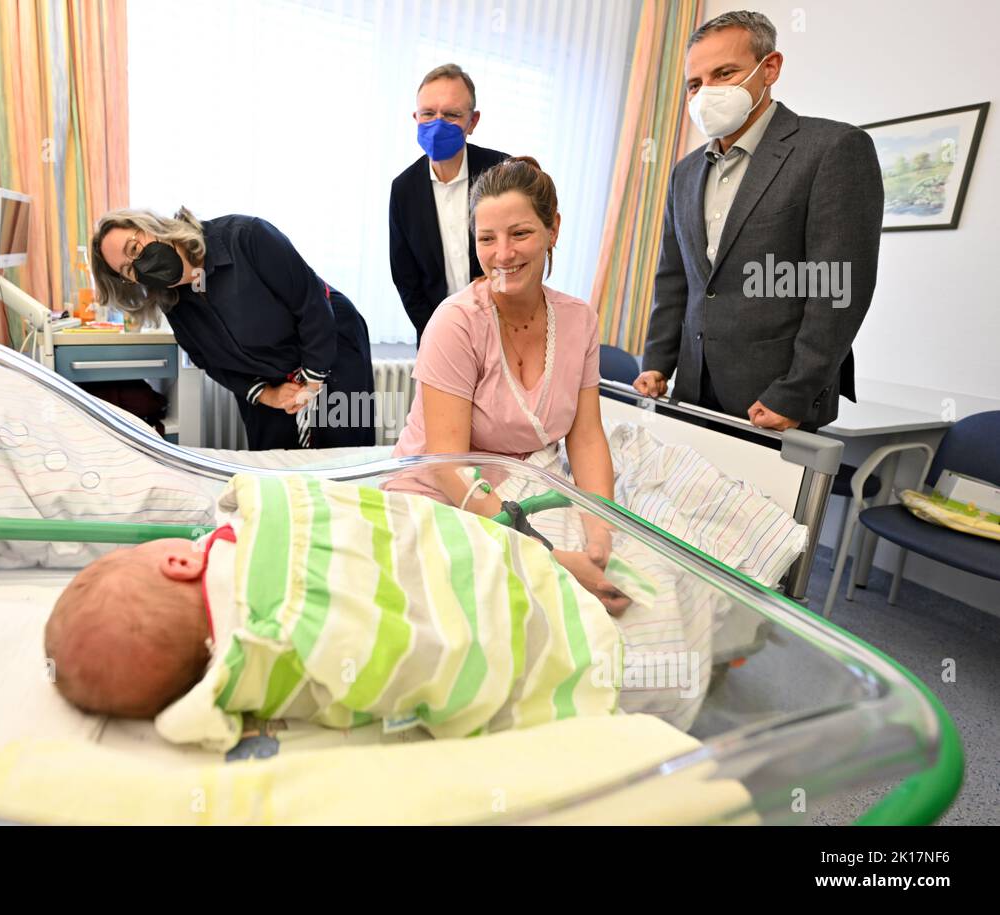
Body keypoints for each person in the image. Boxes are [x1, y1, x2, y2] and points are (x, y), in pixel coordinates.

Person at [43, 474, 621, 751]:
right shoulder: (259, 535)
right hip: (502, 568)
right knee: (440, 562)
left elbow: (354, 694)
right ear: (176, 562)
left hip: (516, 666)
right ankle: (543, 593)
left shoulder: (236, 681)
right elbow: (322, 504)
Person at [384, 156, 627, 613]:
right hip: (442, 492)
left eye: (520, 234)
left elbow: (588, 436)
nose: (502, 254)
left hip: (524, 483)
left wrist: (600, 531)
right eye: (486, 239)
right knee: (473, 602)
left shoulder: (579, 321)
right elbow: (448, 465)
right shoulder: (457, 324)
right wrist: (546, 557)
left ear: (553, 229)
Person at [633, 10, 882, 432]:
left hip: (774, 400)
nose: (706, 92)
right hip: (692, 390)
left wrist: (794, 392)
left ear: (769, 69)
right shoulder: (685, 172)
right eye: (695, 84)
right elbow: (675, 278)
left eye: (725, 73)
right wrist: (658, 362)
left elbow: (837, 288)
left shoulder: (832, 149)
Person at [91, 209, 375, 450]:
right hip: (270, 377)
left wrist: (312, 382)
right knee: (274, 457)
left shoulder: (247, 236)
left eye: (134, 249)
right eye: (129, 270)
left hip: (331, 340)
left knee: (343, 447)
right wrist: (268, 395)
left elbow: (310, 303)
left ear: (151, 226)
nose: (139, 266)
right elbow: (209, 362)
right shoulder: (172, 302)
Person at [389, 64, 508, 347]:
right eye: (428, 113)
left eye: (452, 114)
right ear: (416, 117)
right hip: (437, 336)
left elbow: (518, 254)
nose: (437, 123)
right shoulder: (403, 189)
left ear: (473, 121)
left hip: (505, 332)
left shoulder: (502, 171)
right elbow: (405, 277)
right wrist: (439, 330)